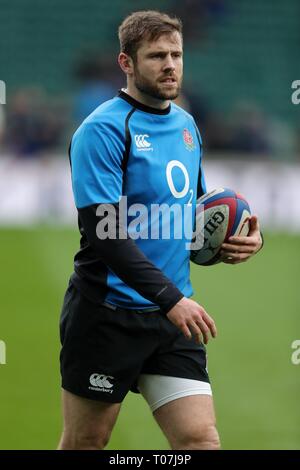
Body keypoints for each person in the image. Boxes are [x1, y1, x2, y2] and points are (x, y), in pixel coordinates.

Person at [58, 10, 263, 450]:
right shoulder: (103, 130)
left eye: (176, 54)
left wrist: (238, 239)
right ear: (126, 63)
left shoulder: (187, 126)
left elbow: (194, 215)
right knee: (86, 442)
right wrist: (172, 300)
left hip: (170, 318)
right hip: (106, 315)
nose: (170, 65)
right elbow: (105, 233)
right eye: (156, 56)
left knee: (200, 440)